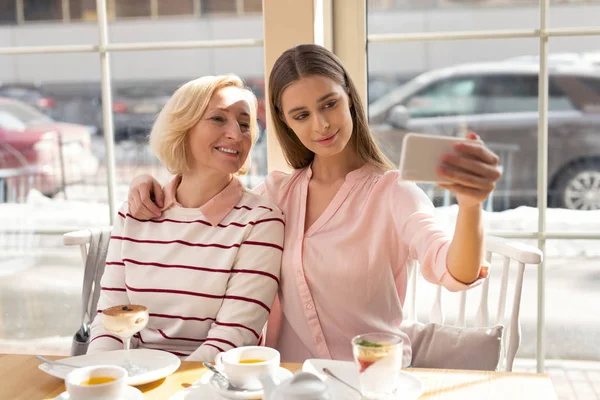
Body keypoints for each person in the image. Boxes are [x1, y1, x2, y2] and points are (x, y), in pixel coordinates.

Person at [127, 44, 501, 367]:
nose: (321, 125)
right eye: (301, 115)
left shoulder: (393, 193)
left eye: (330, 104)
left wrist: (470, 206)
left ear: (349, 98)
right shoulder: (276, 193)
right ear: (286, 123)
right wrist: (155, 185)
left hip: (370, 379)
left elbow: (457, 273)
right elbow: (207, 202)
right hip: (287, 380)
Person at [87, 75, 284, 362]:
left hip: (210, 383)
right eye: (218, 119)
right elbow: (110, 324)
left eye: (245, 125)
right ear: (183, 127)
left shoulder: (260, 221)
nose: (236, 134)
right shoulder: (133, 213)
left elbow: (232, 338)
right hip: (134, 378)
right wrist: (100, 379)